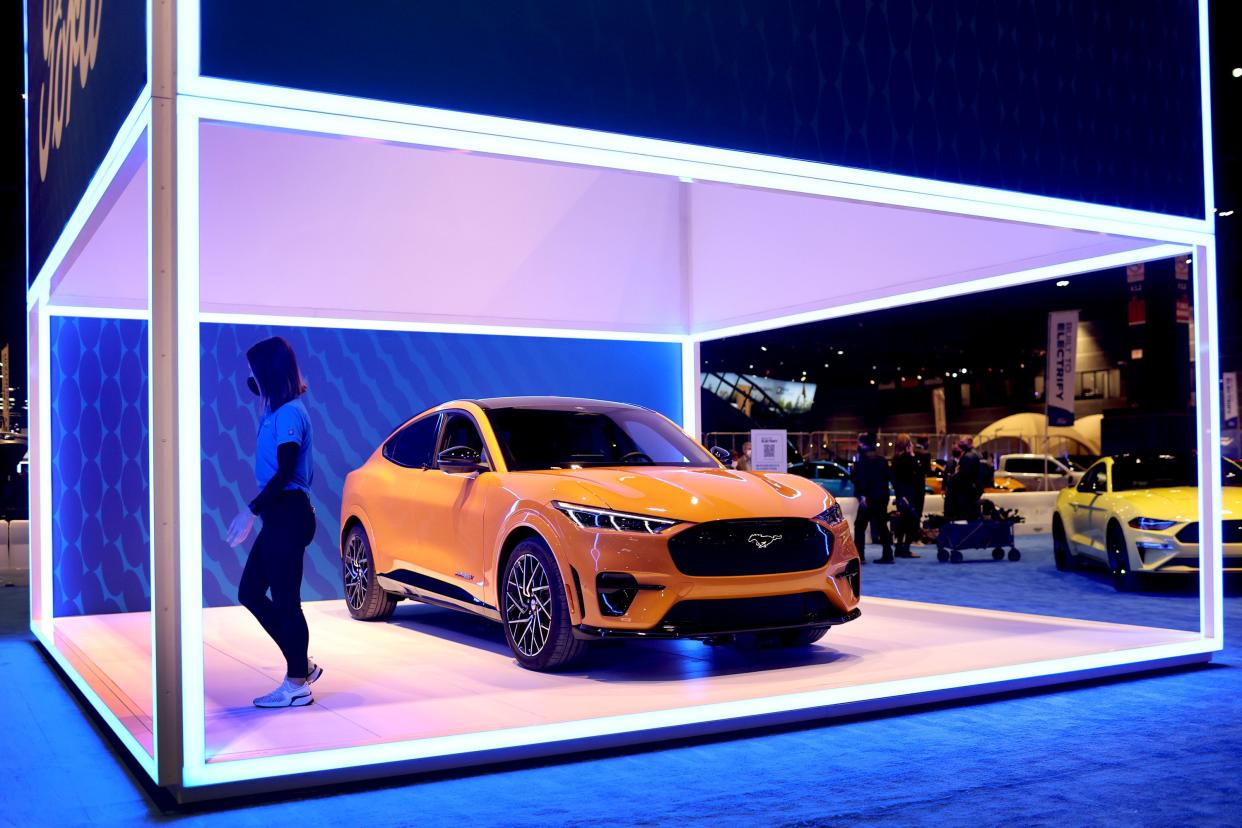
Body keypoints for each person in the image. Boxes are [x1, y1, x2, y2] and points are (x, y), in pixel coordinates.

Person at [226, 336, 321, 708]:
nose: (249, 377)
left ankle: (297, 682)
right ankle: (302, 664)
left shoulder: (289, 414)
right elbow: (260, 387)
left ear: (268, 373)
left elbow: (284, 471)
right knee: (249, 592)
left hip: (288, 513)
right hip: (279, 515)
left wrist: (249, 511)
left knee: (286, 602)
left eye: (254, 371)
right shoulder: (276, 410)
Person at [851, 432, 894, 564]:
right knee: (881, 525)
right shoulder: (882, 460)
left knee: (859, 526)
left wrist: (862, 496)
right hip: (881, 497)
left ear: (863, 444)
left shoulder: (862, 461)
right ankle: (888, 554)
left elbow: (860, 479)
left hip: (868, 498)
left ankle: (859, 555)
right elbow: (888, 478)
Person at [890, 434, 923, 558]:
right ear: (907, 445)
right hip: (909, 492)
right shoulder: (907, 458)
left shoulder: (895, 459)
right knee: (911, 520)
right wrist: (913, 455)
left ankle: (899, 547)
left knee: (902, 521)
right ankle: (906, 549)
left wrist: (900, 494)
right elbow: (915, 472)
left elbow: (895, 479)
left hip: (901, 493)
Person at [946, 437, 983, 521]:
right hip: (972, 489)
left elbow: (963, 475)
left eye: (962, 442)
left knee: (964, 515)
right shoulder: (975, 454)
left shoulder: (968, 456)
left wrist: (952, 477)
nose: (960, 444)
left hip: (966, 491)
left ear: (969, 443)